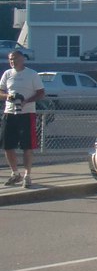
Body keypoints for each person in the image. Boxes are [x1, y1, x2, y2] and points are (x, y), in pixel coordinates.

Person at [1, 49, 45, 188]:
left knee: (27, 146)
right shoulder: (7, 74)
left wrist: (26, 101)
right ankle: (15, 173)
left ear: (22, 59)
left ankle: (27, 175)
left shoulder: (32, 74)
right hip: (10, 113)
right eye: (10, 59)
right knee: (8, 146)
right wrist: (8, 96)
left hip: (27, 114)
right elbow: (0, 91)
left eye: (14, 58)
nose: (12, 61)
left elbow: (41, 93)